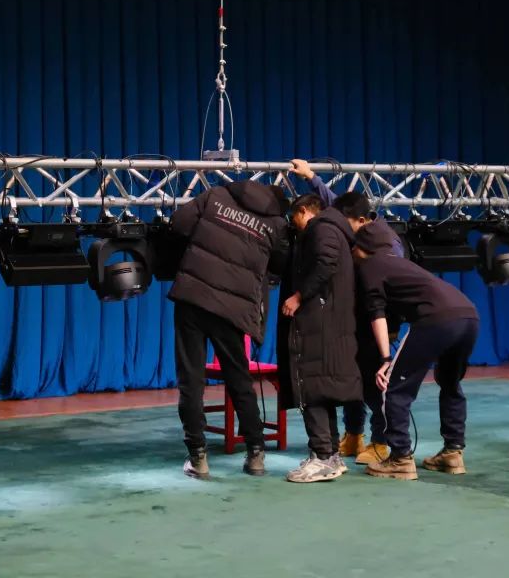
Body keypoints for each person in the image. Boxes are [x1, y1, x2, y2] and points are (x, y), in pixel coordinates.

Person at [167, 179, 289, 479]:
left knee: (191, 380)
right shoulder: (275, 223)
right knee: (239, 379)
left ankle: (198, 457)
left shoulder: (216, 195)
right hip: (233, 308)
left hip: (194, 297)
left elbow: (178, 224)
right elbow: (280, 264)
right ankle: (256, 453)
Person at [291, 159, 404, 464]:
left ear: (362, 220)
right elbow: (333, 203)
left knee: (375, 384)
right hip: (356, 320)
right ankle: (354, 435)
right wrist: (311, 176)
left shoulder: (386, 242)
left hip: (380, 321)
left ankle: (381, 440)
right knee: (352, 380)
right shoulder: (353, 222)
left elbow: (387, 289)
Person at [352, 219, 480, 480]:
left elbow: (377, 314)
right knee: (450, 383)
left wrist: (386, 358)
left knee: (394, 388)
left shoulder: (370, 266)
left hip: (437, 319)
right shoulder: (401, 263)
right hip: (469, 316)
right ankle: (453, 452)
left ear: (362, 247)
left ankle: (400, 458)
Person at [277, 194, 362, 483]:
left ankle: (323, 457)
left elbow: (326, 263)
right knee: (322, 388)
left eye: (294, 219)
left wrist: (299, 296)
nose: (294, 225)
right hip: (329, 325)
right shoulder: (334, 228)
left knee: (311, 385)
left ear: (303, 211)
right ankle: (330, 455)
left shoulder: (322, 228)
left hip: (318, 325)